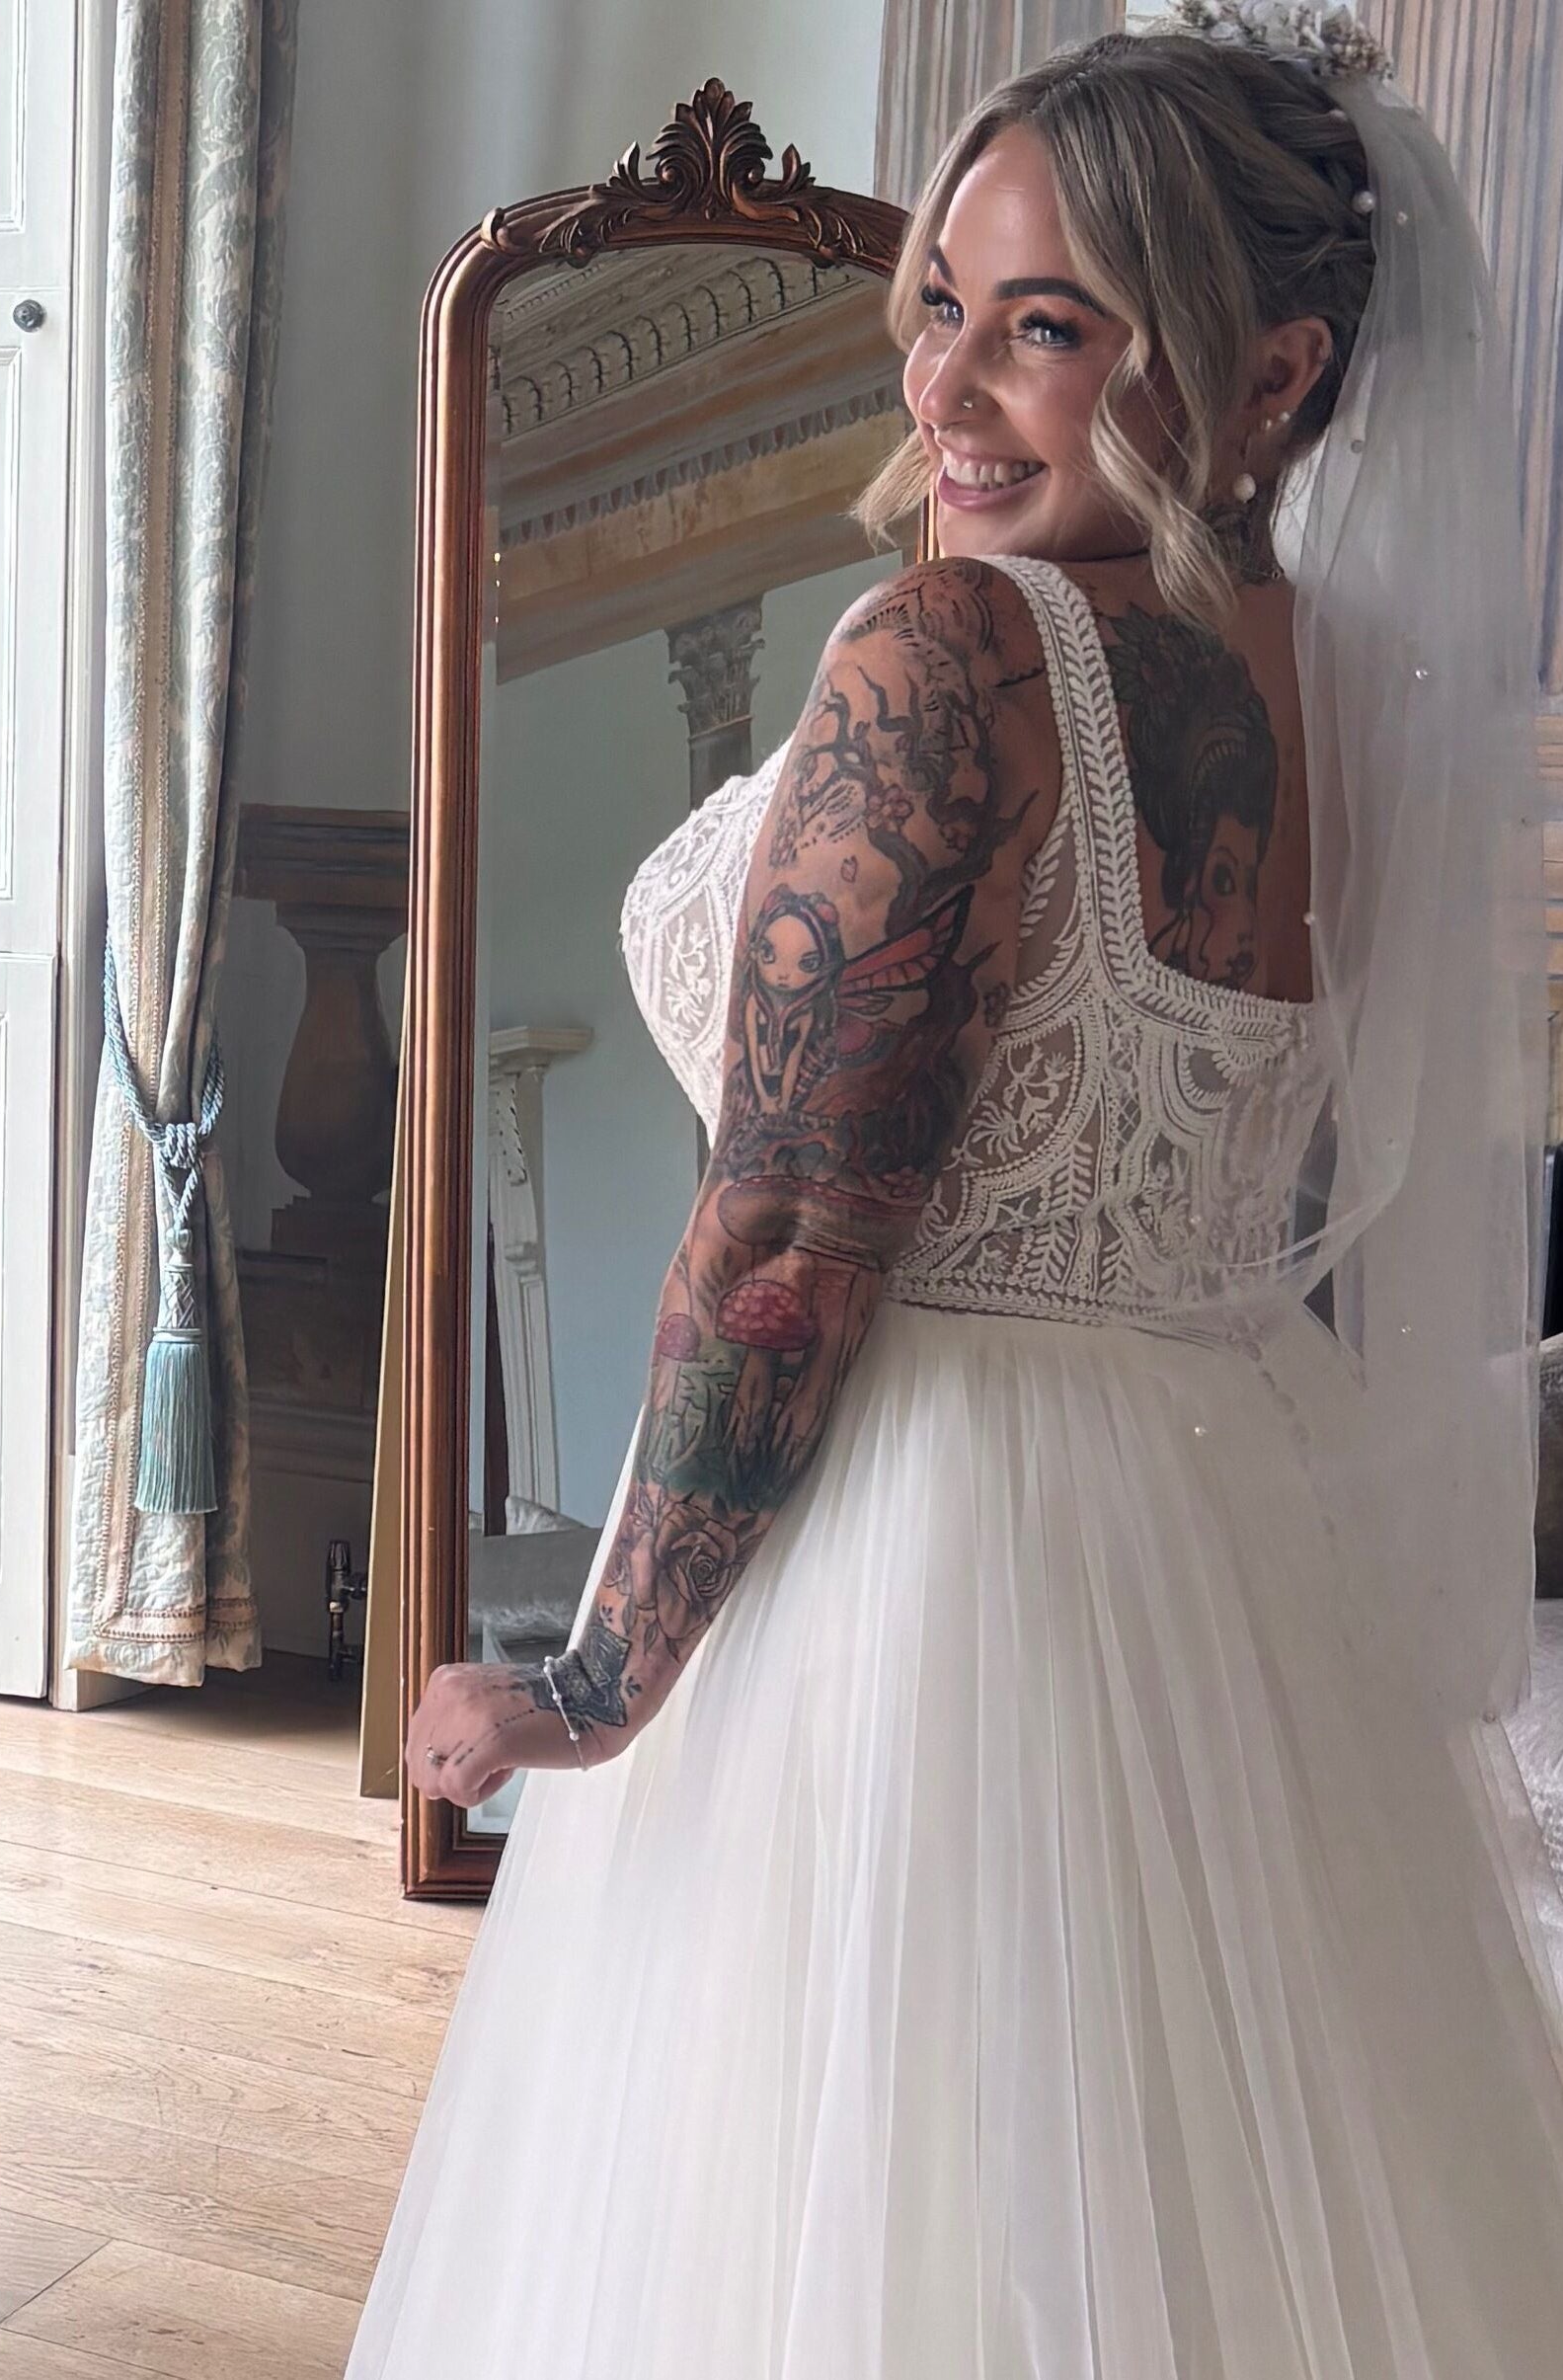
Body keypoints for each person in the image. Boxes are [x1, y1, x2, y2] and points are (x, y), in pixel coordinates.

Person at [349, 9, 1563, 2372]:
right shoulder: (1345, 683)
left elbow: (792, 1222)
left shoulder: (953, 653)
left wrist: (590, 1682)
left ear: (1270, 373)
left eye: (1048, 330)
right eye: (939, 302)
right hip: (1221, 1522)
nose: (949, 390)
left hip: (909, 1558)